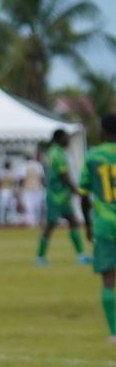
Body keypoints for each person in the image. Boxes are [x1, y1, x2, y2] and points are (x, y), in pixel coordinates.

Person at [79, 113, 116, 343]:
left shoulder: (93, 156)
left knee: (108, 280)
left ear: (102, 131)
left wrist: (87, 223)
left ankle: (114, 333)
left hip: (104, 224)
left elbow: (83, 194)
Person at [37, 129, 89, 265]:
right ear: (59, 138)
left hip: (62, 195)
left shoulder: (54, 152)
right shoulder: (57, 153)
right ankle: (40, 257)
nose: (68, 141)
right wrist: (77, 191)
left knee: (73, 222)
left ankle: (80, 255)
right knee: (50, 225)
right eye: (66, 138)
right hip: (56, 195)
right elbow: (63, 176)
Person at [22, 153, 45, 227]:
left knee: (29, 206)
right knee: (37, 205)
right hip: (37, 188)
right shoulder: (38, 165)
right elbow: (42, 178)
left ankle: (31, 222)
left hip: (27, 188)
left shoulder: (24, 165)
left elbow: (21, 178)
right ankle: (37, 221)